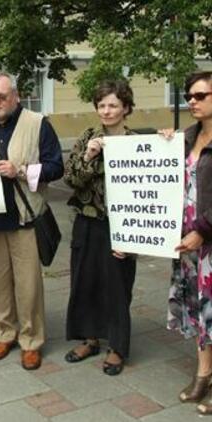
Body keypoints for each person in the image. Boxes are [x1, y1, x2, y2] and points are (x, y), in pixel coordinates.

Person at [0, 71, 63, 370]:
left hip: (24, 218)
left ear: (15, 96)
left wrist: (19, 169)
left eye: (1, 96)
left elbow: (56, 166)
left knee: (28, 284)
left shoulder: (37, 123)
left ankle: (31, 340)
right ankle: (4, 333)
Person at [63, 80, 137, 376]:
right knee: (85, 281)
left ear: (126, 108)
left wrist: (168, 139)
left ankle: (117, 347)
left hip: (122, 225)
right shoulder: (87, 137)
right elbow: (71, 179)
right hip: (87, 221)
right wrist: (88, 156)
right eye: (102, 105)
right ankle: (89, 338)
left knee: (118, 285)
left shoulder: (136, 142)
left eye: (113, 105)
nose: (107, 111)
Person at [166, 71, 212, 414]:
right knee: (199, 310)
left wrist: (204, 230)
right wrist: (163, 143)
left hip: (207, 238)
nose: (192, 102)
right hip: (187, 241)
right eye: (189, 97)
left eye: (200, 96)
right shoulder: (187, 138)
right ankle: (204, 373)